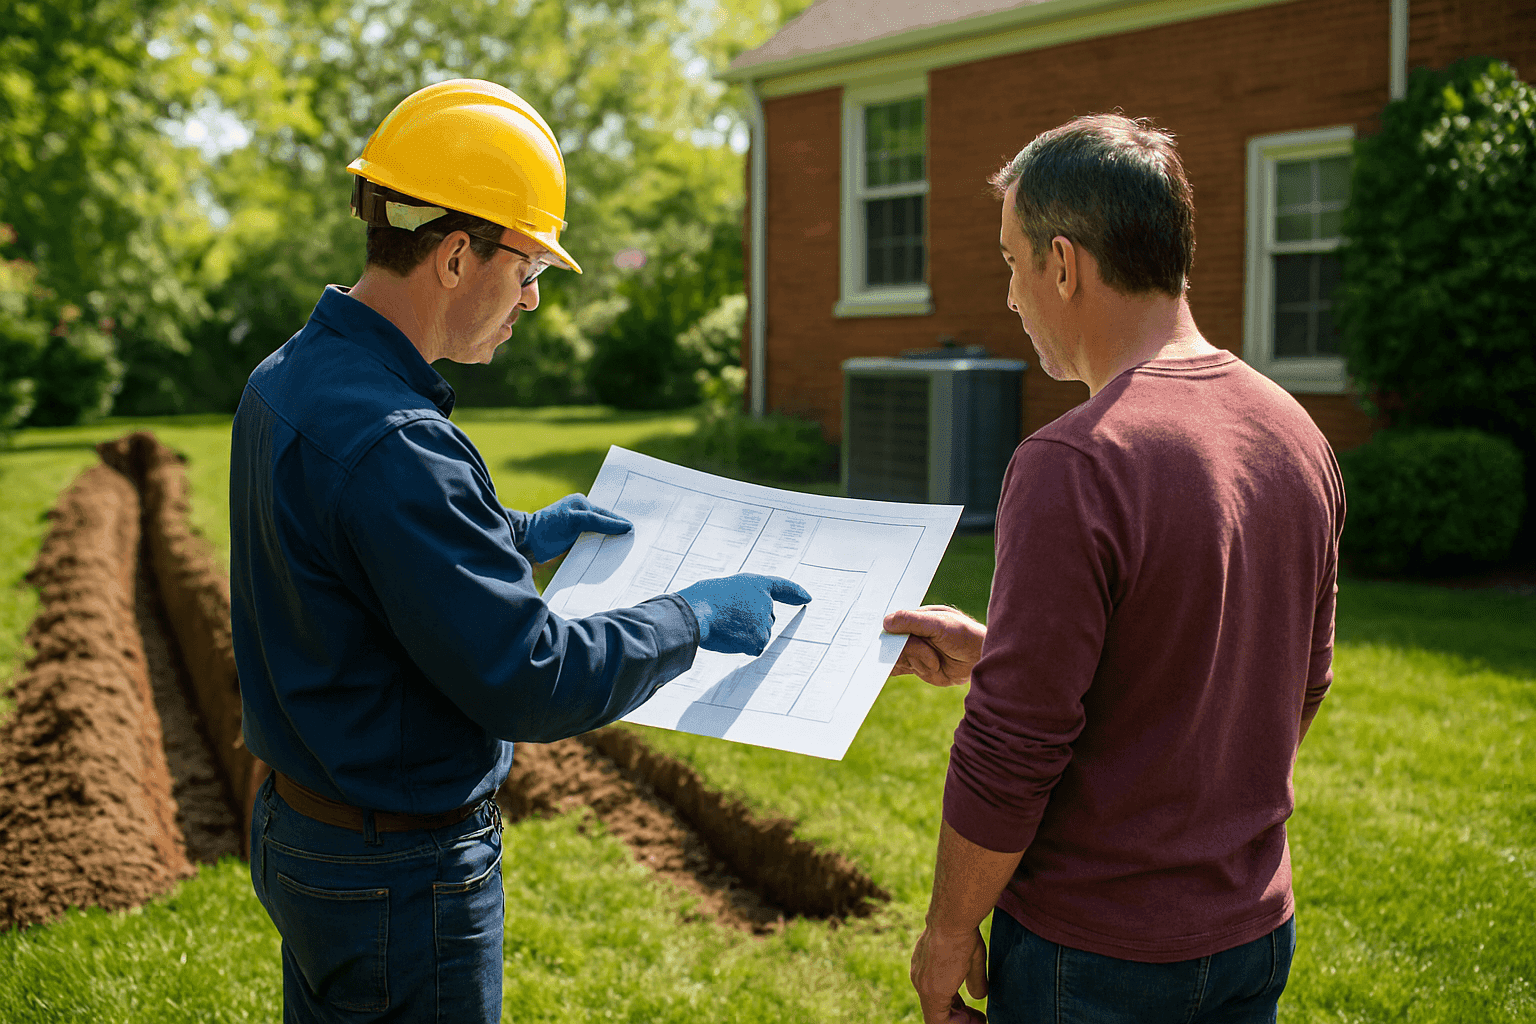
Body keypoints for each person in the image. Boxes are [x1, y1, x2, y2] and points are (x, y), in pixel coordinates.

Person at [228, 78, 810, 1024]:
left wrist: (514, 538)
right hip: (400, 876)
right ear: (457, 256)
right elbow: (530, 678)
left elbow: (346, 554)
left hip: (305, 832)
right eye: (529, 266)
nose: (532, 299)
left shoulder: (288, 376)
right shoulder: (400, 440)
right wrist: (691, 616)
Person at [884, 114, 1345, 1024]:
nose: (1012, 296)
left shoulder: (1074, 461)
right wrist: (1006, 651)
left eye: (1012, 262)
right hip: (1251, 932)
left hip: (1091, 958)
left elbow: (1014, 750)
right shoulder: (1298, 433)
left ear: (1064, 263)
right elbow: (1295, 680)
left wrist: (946, 932)